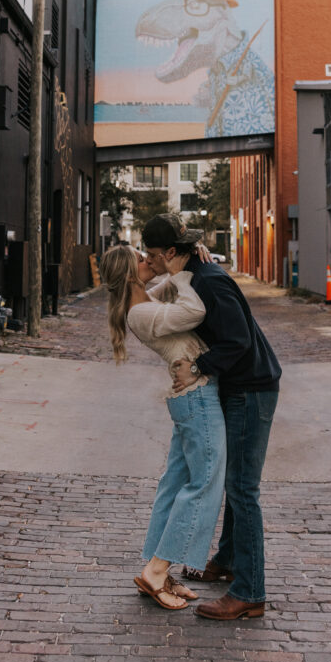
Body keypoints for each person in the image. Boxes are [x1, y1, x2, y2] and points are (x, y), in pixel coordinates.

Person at [142, 213, 281, 621]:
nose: (149, 262)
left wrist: (199, 366)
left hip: (251, 390)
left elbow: (237, 339)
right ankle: (226, 560)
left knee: (242, 490)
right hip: (244, 387)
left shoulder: (209, 282)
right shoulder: (197, 275)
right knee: (236, 483)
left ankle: (249, 592)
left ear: (171, 252)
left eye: (152, 255)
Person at [100, 241, 227, 611]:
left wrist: (187, 254)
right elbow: (194, 309)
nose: (148, 261)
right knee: (204, 483)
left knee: (174, 485)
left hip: (191, 399)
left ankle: (158, 569)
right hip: (198, 397)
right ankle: (157, 571)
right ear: (128, 272)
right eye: (141, 259)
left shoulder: (143, 301)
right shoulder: (140, 313)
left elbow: (170, 286)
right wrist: (181, 270)